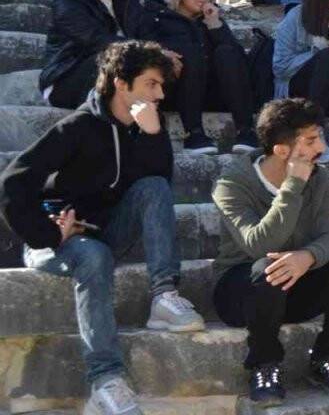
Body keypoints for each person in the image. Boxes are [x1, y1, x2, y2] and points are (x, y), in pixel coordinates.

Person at [1, 41, 203, 415]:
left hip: (106, 232)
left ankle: (163, 296)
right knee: (94, 256)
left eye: (161, 86)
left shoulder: (143, 129)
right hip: (57, 238)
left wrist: (155, 135)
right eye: (151, 84)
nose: (160, 94)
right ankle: (105, 380)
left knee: (153, 188)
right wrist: (47, 234)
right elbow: (12, 183)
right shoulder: (77, 127)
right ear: (121, 84)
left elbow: (159, 185)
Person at [212, 98, 329, 405]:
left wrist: (307, 257)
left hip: (296, 284)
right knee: (266, 269)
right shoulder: (231, 184)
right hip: (241, 291)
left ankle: (327, 356)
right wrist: (292, 185)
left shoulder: (320, 177)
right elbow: (260, 246)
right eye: (311, 141)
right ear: (282, 150)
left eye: (321, 137)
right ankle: (264, 363)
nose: (322, 148)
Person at [141, 0, 257, 154]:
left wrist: (215, 25)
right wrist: (163, 53)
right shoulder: (154, 17)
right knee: (190, 52)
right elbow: (142, 46)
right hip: (175, 89)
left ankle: (246, 130)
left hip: (210, 91)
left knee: (226, 52)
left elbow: (238, 59)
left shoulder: (210, 18)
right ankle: (193, 133)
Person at [40, 0, 147, 109]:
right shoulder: (67, 3)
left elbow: (146, 32)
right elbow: (97, 41)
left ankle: (191, 131)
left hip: (120, 72)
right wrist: (151, 51)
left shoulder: (128, 1)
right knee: (115, 56)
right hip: (66, 79)